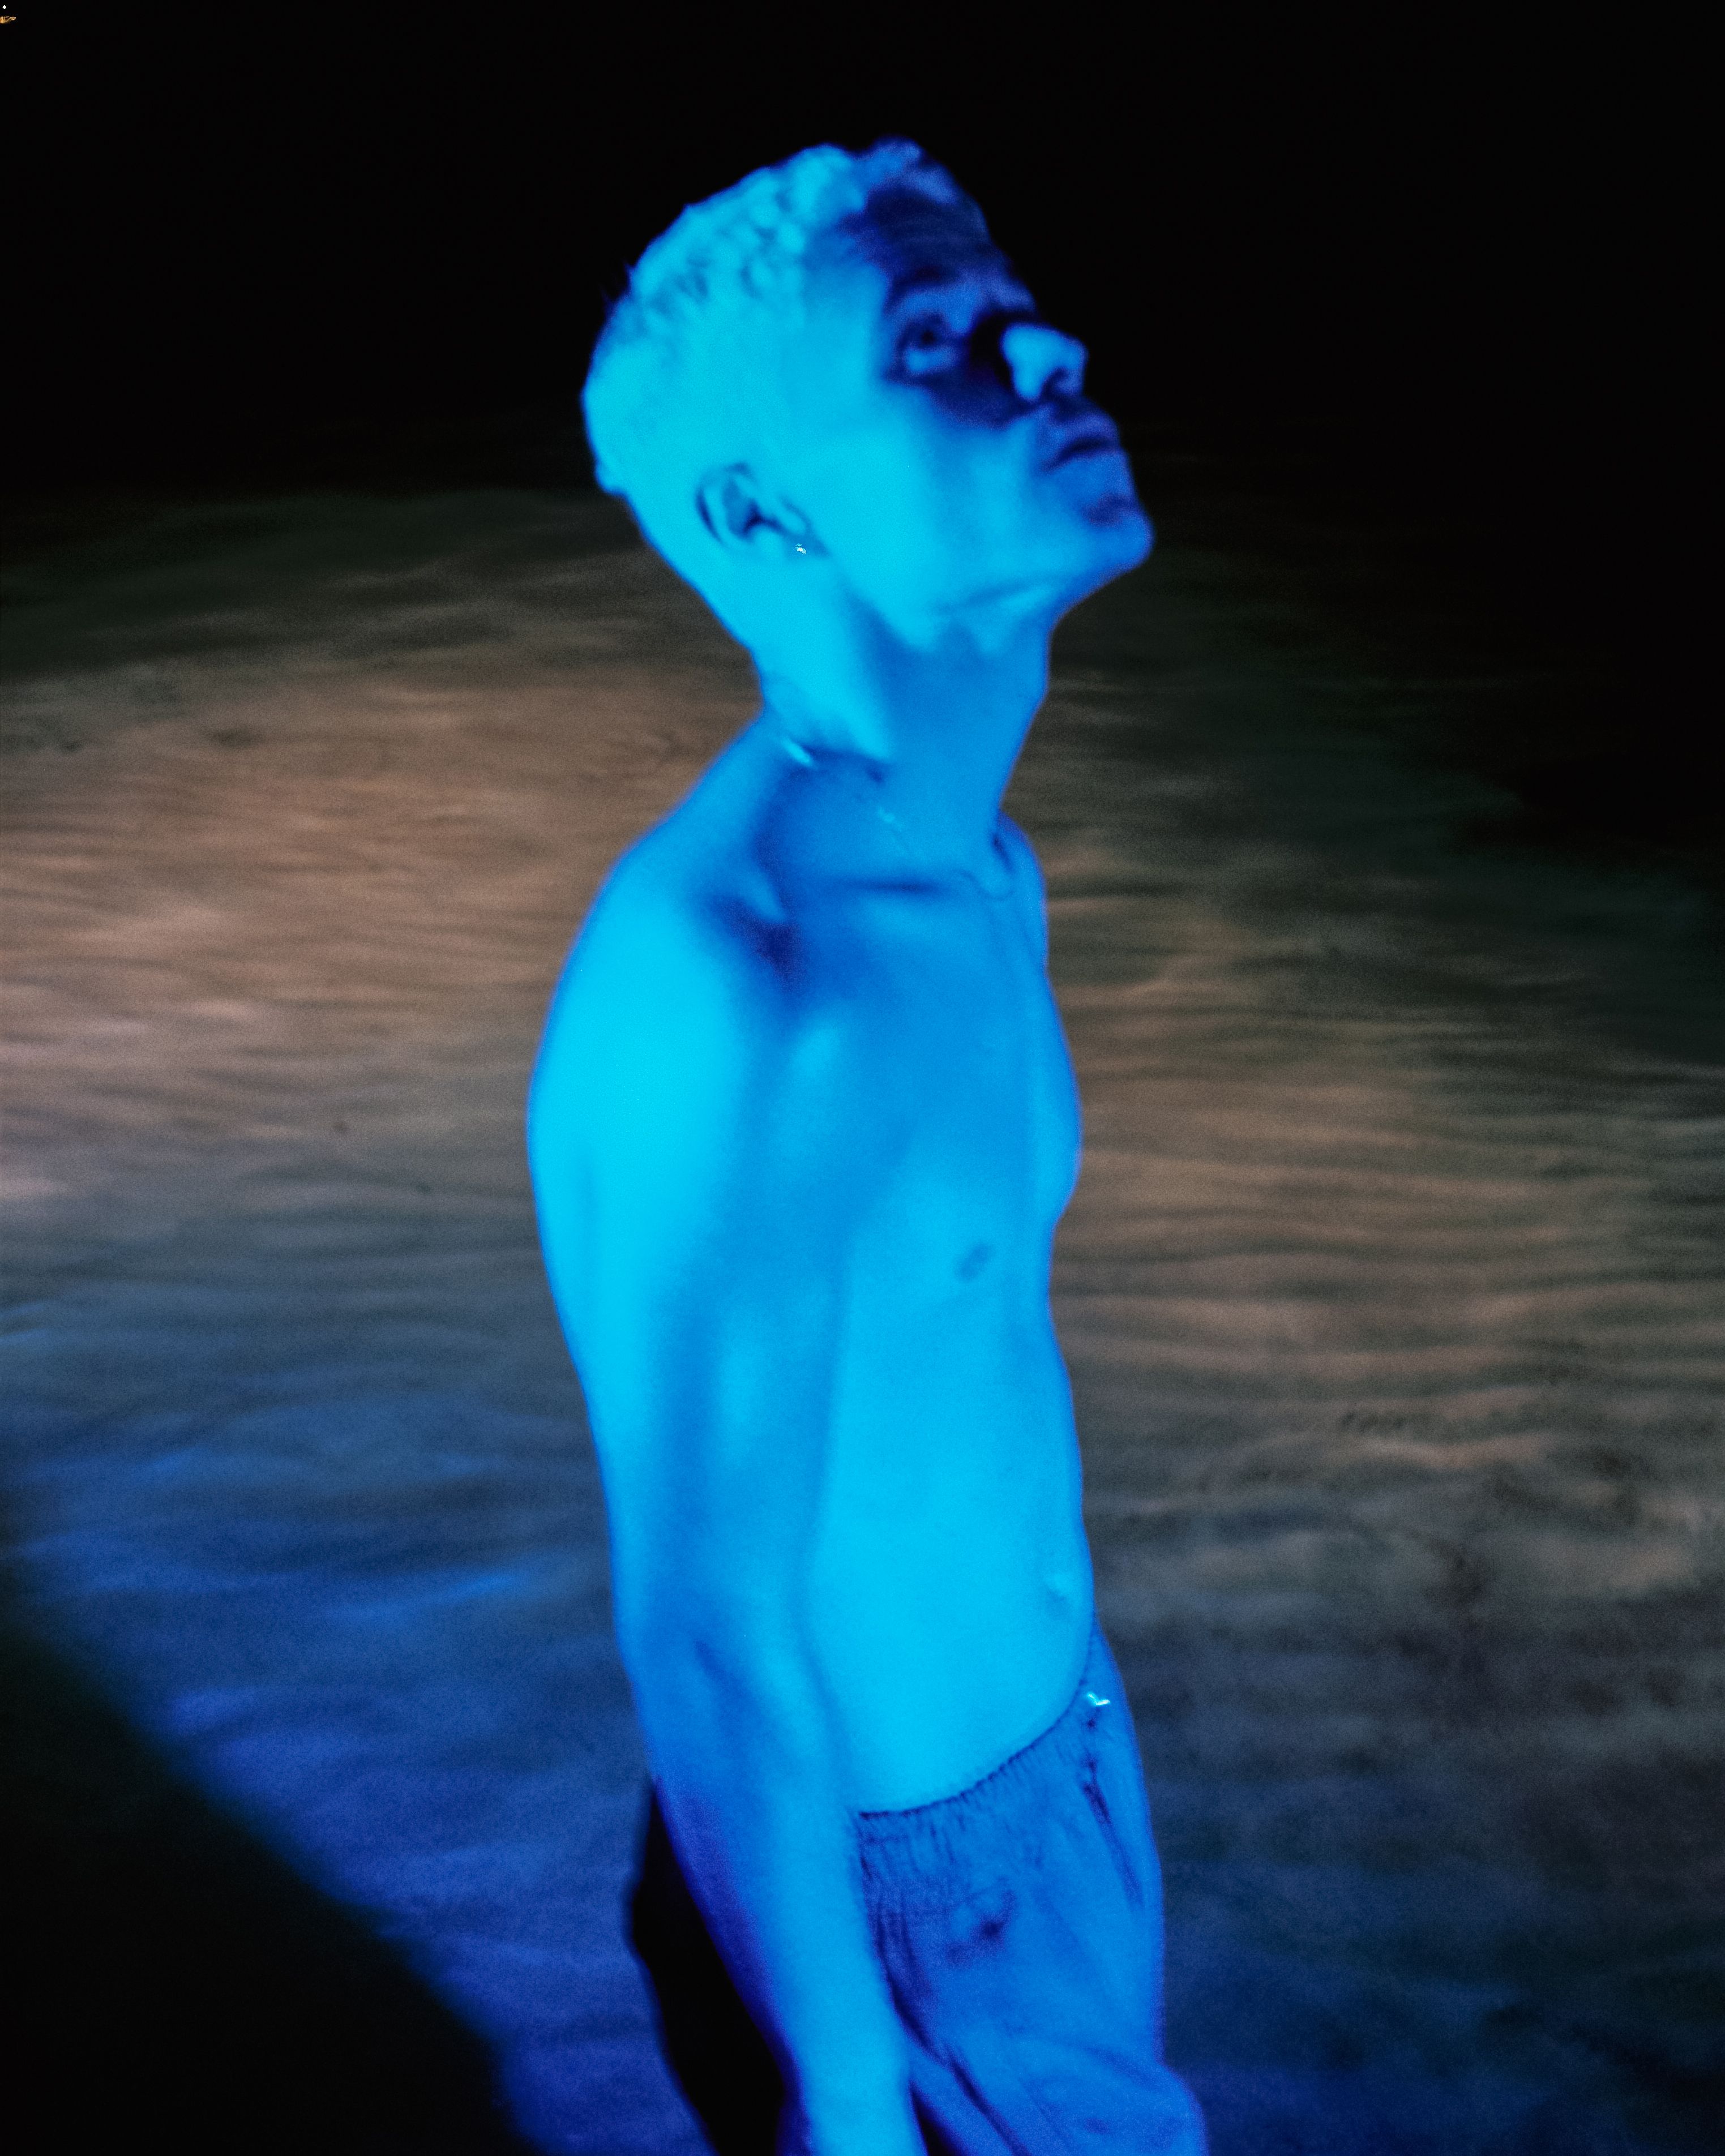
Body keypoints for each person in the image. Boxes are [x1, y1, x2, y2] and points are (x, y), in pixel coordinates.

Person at [527, 139, 1206, 2156]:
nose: (1049, 351)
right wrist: (849, 2094)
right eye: (935, 343)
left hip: (1055, 1774)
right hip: (903, 1904)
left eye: (1014, 304)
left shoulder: (975, 871)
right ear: (763, 509)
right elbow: (703, 1625)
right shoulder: (747, 984)